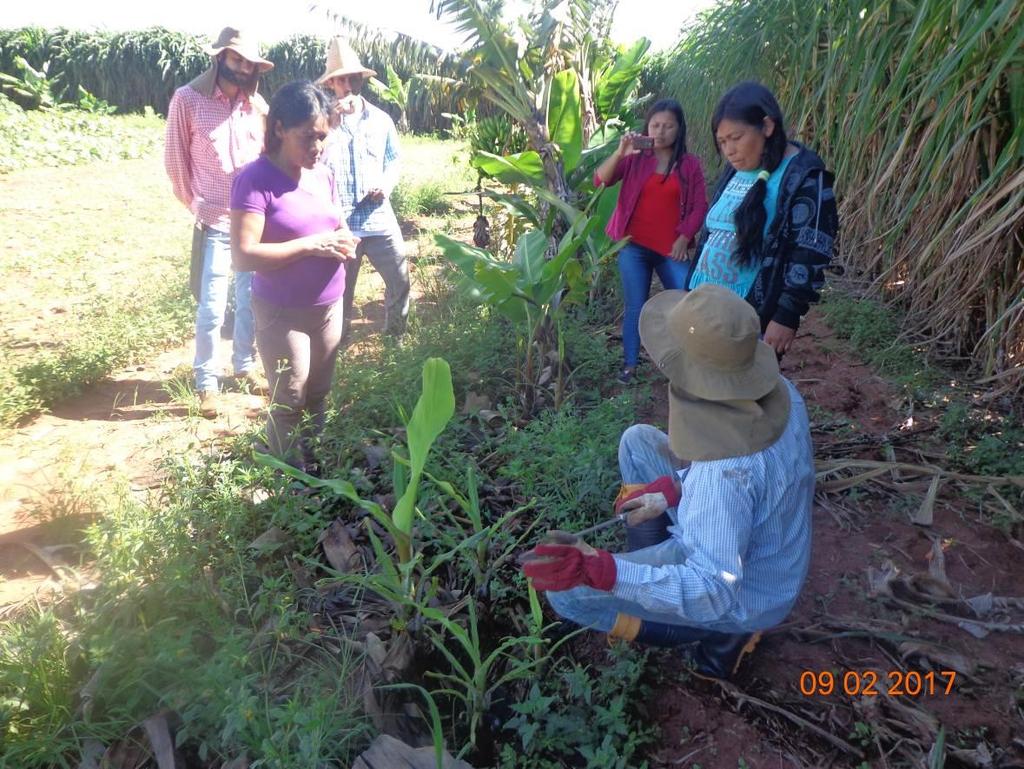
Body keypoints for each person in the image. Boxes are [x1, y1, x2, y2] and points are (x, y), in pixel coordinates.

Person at [521, 284, 814, 679]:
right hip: (760, 549)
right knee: (638, 441)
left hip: (743, 594)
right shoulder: (782, 392)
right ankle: (661, 572)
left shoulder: (723, 475)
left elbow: (712, 589)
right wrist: (673, 487)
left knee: (568, 595)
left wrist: (605, 571)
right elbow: (750, 483)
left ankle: (714, 637)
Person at [230, 81, 358, 471]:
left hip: (328, 307)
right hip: (281, 312)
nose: (317, 148)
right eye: (308, 137)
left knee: (319, 394)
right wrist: (312, 246)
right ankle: (288, 485)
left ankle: (314, 468)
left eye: (322, 137)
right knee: (289, 399)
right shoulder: (255, 180)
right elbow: (244, 255)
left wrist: (344, 239)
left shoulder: (321, 175)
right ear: (280, 128)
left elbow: (334, 223)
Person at [165, 27, 274, 418]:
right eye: (236, 59)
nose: (242, 68)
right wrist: (195, 204)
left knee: (251, 299)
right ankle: (206, 383)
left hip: (254, 223)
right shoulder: (188, 100)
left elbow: (269, 161)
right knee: (211, 306)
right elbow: (177, 163)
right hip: (213, 220)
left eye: (249, 63)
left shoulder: (257, 108)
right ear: (220, 58)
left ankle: (244, 366)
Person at [688, 81, 838, 358]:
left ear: (767, 127)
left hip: (750, 318)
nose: (729, 150)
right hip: (705, 307)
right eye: (722, 142)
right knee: (703, 389)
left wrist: (786, 315)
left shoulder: (804, 177)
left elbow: (809, 251)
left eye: (736, 137)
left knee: (739, 394)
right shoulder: (736, 169)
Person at [594, 99, 708, 385]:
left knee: (686, 300)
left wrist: (684, 237)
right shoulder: (634, 159)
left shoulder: (689, 165)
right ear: (647, 127)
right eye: (655, 125)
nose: (661, 131)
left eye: (669, 125)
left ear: (679, 129)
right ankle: (630, 366)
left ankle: (696, 360)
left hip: (671, 250)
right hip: (634, 247)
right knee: (636, 306)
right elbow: (601, 181)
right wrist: (620, 152)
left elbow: (699, 206)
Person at [317, 37, 410, 342]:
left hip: (379, 218)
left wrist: (385, 183)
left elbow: (394, 160)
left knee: (400, 279)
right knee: (340, 290)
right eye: (340, 79)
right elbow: (309, 162)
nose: (348, 85)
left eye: (352, 78)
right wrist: (330, 121)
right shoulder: (321, 123)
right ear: (331, 84)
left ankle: (394, 337)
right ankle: (337, 344)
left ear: (361, 80)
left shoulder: (381, 120)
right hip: (341, 222)